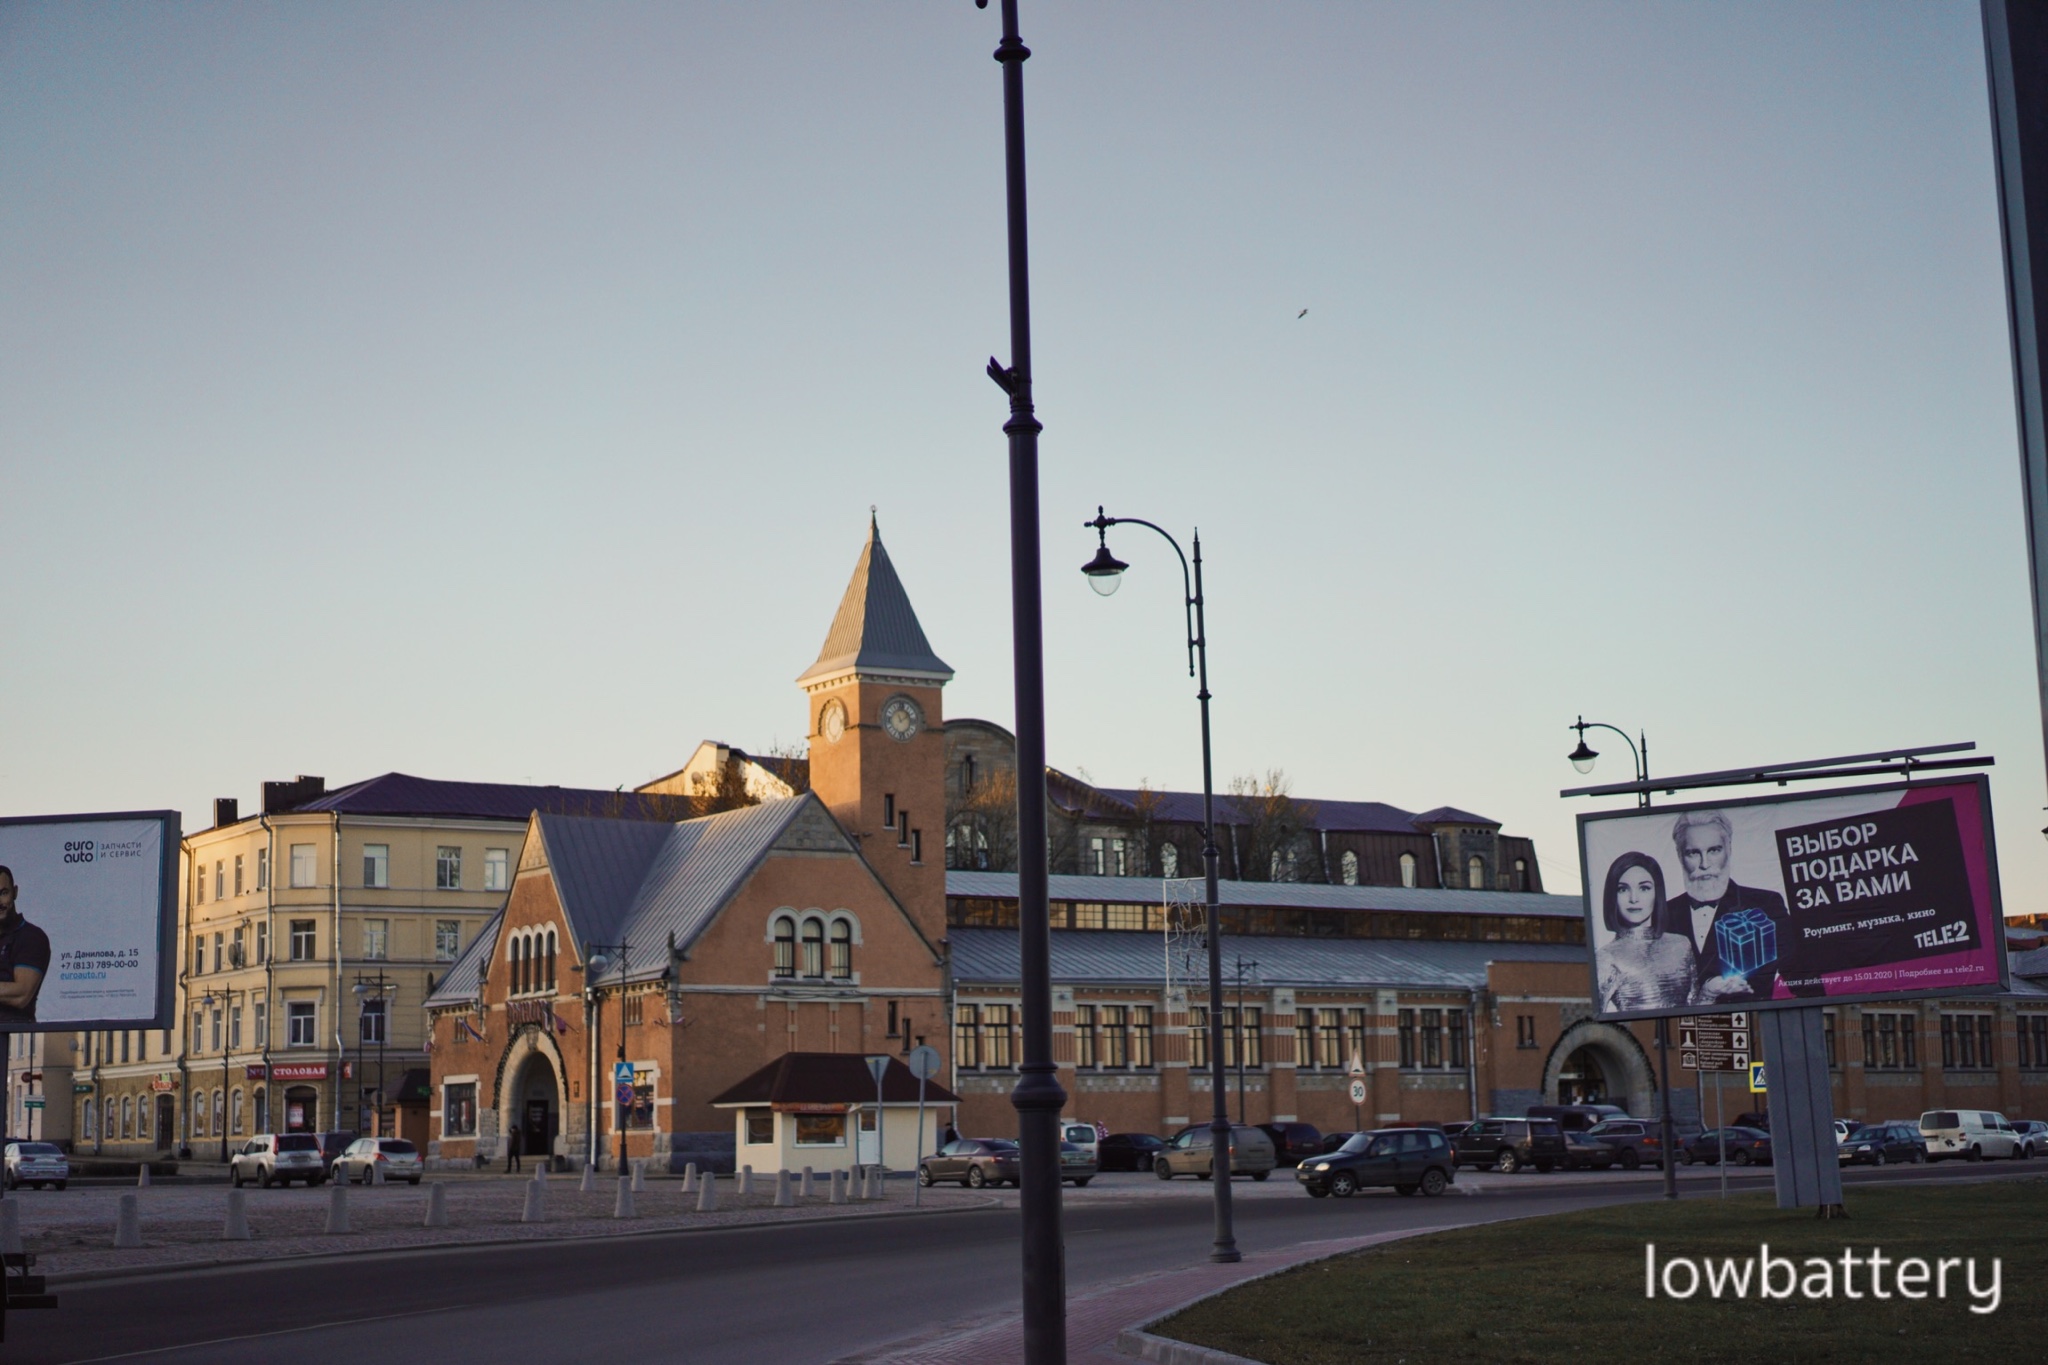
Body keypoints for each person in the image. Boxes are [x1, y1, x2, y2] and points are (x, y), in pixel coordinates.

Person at [1658, 811, 1794, 1002]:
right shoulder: (1662, 914)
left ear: (1729, 848)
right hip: (1679, 1028)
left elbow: (1798, 973)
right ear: (1680, 855)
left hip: (1751, 1024)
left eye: (1714, 850)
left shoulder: (1766, 905)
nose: (1705, 864)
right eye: (1693, 853)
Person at [1593, 852, 1696, 1013]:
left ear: (1657, 893)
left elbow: (1695, 1008)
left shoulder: (1682, 944)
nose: (1634, 898)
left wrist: (1710, 993)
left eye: (1644, 888)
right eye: (1622, 889)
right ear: (1612, 896)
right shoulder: (1606, 958)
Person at [0, 866, 52, 1027]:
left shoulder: (31, 937)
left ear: (15, 892)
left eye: (3, 893)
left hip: (11, 1039)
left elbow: (22, 994)